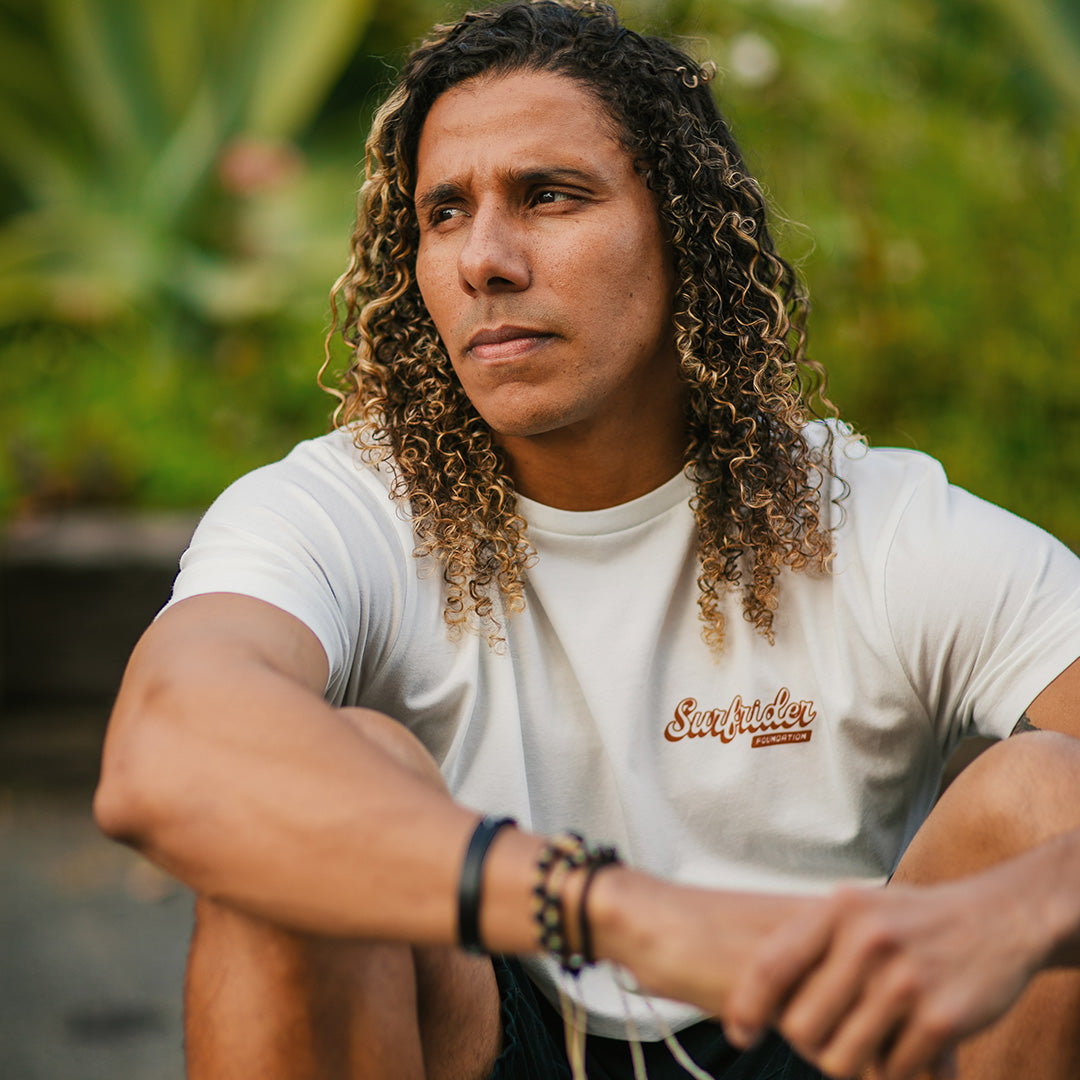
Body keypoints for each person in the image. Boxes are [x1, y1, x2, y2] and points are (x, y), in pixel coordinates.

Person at [94, 2, 1080, 1077]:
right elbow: (162, 751)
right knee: (316, 799)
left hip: (835, 1028)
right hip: (485, 1025)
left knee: (1045, 799)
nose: (484, 260)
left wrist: (1015, 914)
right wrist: (610, 910)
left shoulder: (871, 526)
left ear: (683, 232)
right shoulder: (346, 510)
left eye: (549, 196)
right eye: (445, 212)